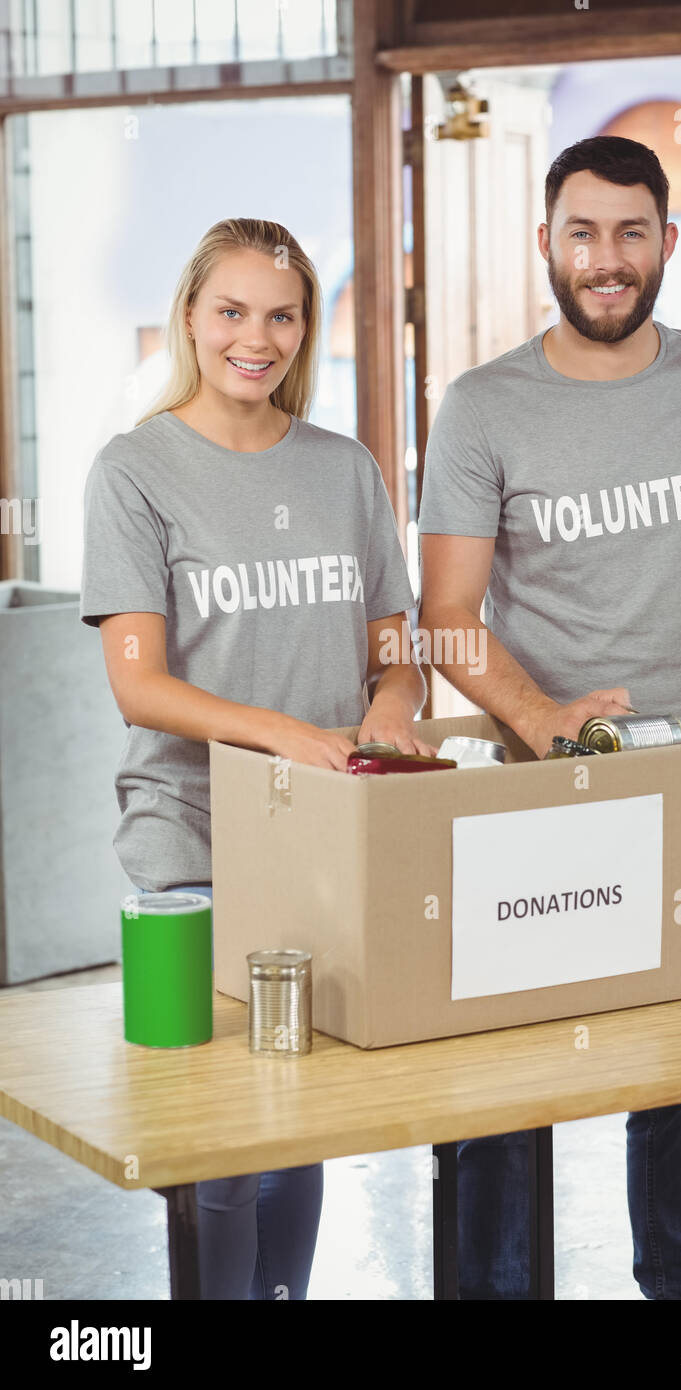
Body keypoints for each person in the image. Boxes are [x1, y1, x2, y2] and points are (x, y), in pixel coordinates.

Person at [417, 136, 681, 1299]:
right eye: (581, 233)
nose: (605, 259)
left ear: (664, 244)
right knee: (501, 1077)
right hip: (531, 797)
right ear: (545, 243)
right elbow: (444, 614)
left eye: (629, 232)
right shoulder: (481, 406)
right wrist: (542, 722)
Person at [80, 217, 433, 1299]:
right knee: (220, 1147)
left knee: (298, 1127)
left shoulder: (344, 470)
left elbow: (396, 653)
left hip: (322, 846)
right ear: (190, 316)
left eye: (281, 314)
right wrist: (287, 731)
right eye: (231, 310)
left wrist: (388, 703)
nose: (256, 336)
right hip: (189, 849)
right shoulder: (135, 471)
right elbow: (138, 681)